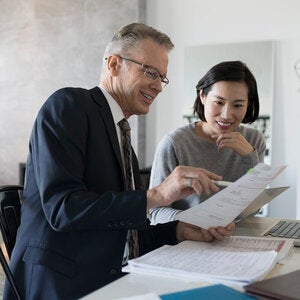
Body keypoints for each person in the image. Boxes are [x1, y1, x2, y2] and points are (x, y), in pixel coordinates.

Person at [4, 24, 235, 300]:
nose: (158, 86)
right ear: (114, 64)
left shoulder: (121, 135)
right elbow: (63, 210)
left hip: (115, 280)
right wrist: (157, 195)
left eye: (162, 78)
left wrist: (180, 230)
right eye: (150, 72)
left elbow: (125, 233)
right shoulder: (69, 105)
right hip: (60, 286)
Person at [149, 60, 266, 225]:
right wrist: (195, 224)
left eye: (238, 105)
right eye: (219, 102)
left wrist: (249, 156)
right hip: (189, 241)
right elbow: (155, 212)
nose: (226, 115)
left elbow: (253, 211)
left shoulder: (254, 141)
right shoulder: (174, 143)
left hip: (237, 238)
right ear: (202, 96)